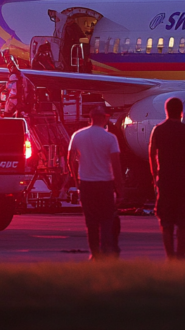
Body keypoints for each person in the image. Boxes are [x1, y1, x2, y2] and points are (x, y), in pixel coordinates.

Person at [149, 97, 185, 259]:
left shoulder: (158, 130)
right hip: (184, 180)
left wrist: (155, 176)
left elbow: (151, 154)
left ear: (166, 110)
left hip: (165, 180)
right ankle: (180, 255)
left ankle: (170, 256)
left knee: (166, 222)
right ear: (181, 112)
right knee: (182, 222)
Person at [68, 106, 123, 260]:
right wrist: (120, 189)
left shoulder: (78, 135)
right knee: (106, 220)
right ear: (104, 118)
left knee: (91, 221)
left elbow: (70, 159)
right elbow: (116, 164)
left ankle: (94, 253)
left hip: (86, 183)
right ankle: (105, 249)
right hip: (105, 183)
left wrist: (76, 181)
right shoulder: (110, 138)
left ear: (90, 118)